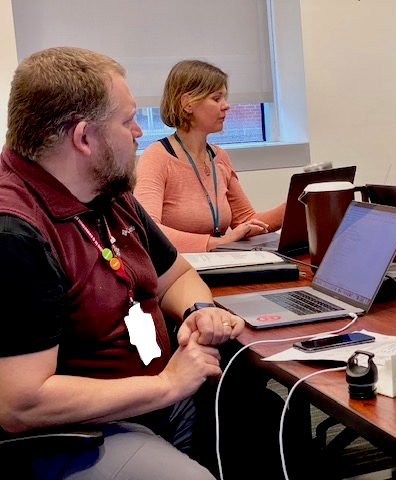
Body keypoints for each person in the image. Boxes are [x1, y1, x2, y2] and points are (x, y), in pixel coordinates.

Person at [0, 46, 294, 479]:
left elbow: (178, 277)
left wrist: (200, 311)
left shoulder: (109, 193)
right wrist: (167, 386)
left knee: (274, 423)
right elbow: (20, 403)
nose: (140, 131)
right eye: (127, 120)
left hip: (156, 396)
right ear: (84, 138)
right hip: (90, 428)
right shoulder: (17, 233)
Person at [134, 59, 285, 253]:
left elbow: (246, 221)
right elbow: (148, 231)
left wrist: (295, 204)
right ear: (187, 103)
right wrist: (218, 242)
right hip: (179, 270)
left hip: (220, 263)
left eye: (224, 98)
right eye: (216, 98)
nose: (226, 106)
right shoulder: (157, 157)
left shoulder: (219, 157)